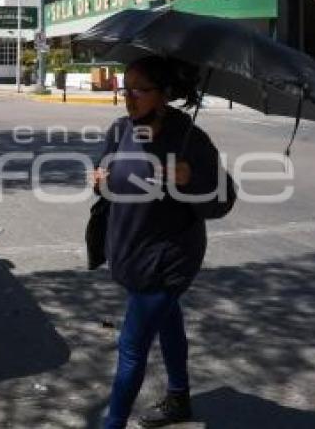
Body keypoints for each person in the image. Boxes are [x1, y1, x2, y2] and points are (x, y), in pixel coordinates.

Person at [91, 56, 236, 429]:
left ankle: (114, 424)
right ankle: (179, 398)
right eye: (126, 88)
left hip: (168, 259)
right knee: (169, 323)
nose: (129, 97)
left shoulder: (190, 141)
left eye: (140, 90)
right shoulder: (121, 129)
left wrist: (191, 179)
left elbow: (222, 201)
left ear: (164, 94)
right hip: (130, 252)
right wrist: (100, 178)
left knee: (131, 346)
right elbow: (107, 172)